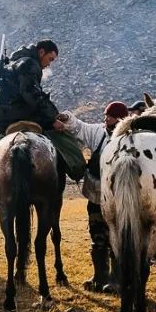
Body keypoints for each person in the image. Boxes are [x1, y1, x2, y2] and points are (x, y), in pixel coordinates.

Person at [0, 39, 85, 190]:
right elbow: (31, 94)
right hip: (22, 114)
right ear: (41, 52)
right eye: (50, 59)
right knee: (64, 140)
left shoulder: (15, 62)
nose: (49, 64)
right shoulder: (30, 64)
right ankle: (76, 172)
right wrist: (52, 119)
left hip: (4, 119)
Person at [56, 101, 128, 292]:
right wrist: (67, 119)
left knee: (117, 238)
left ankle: (117, 280)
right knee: (97, 236)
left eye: (110, 116)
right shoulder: (98, 132)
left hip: (119, 199)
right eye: (105, 115)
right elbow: (79, 128)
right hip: (96, 195)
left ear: (120, 119)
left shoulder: (130, 138)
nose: (106, 119)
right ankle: (99, 277)